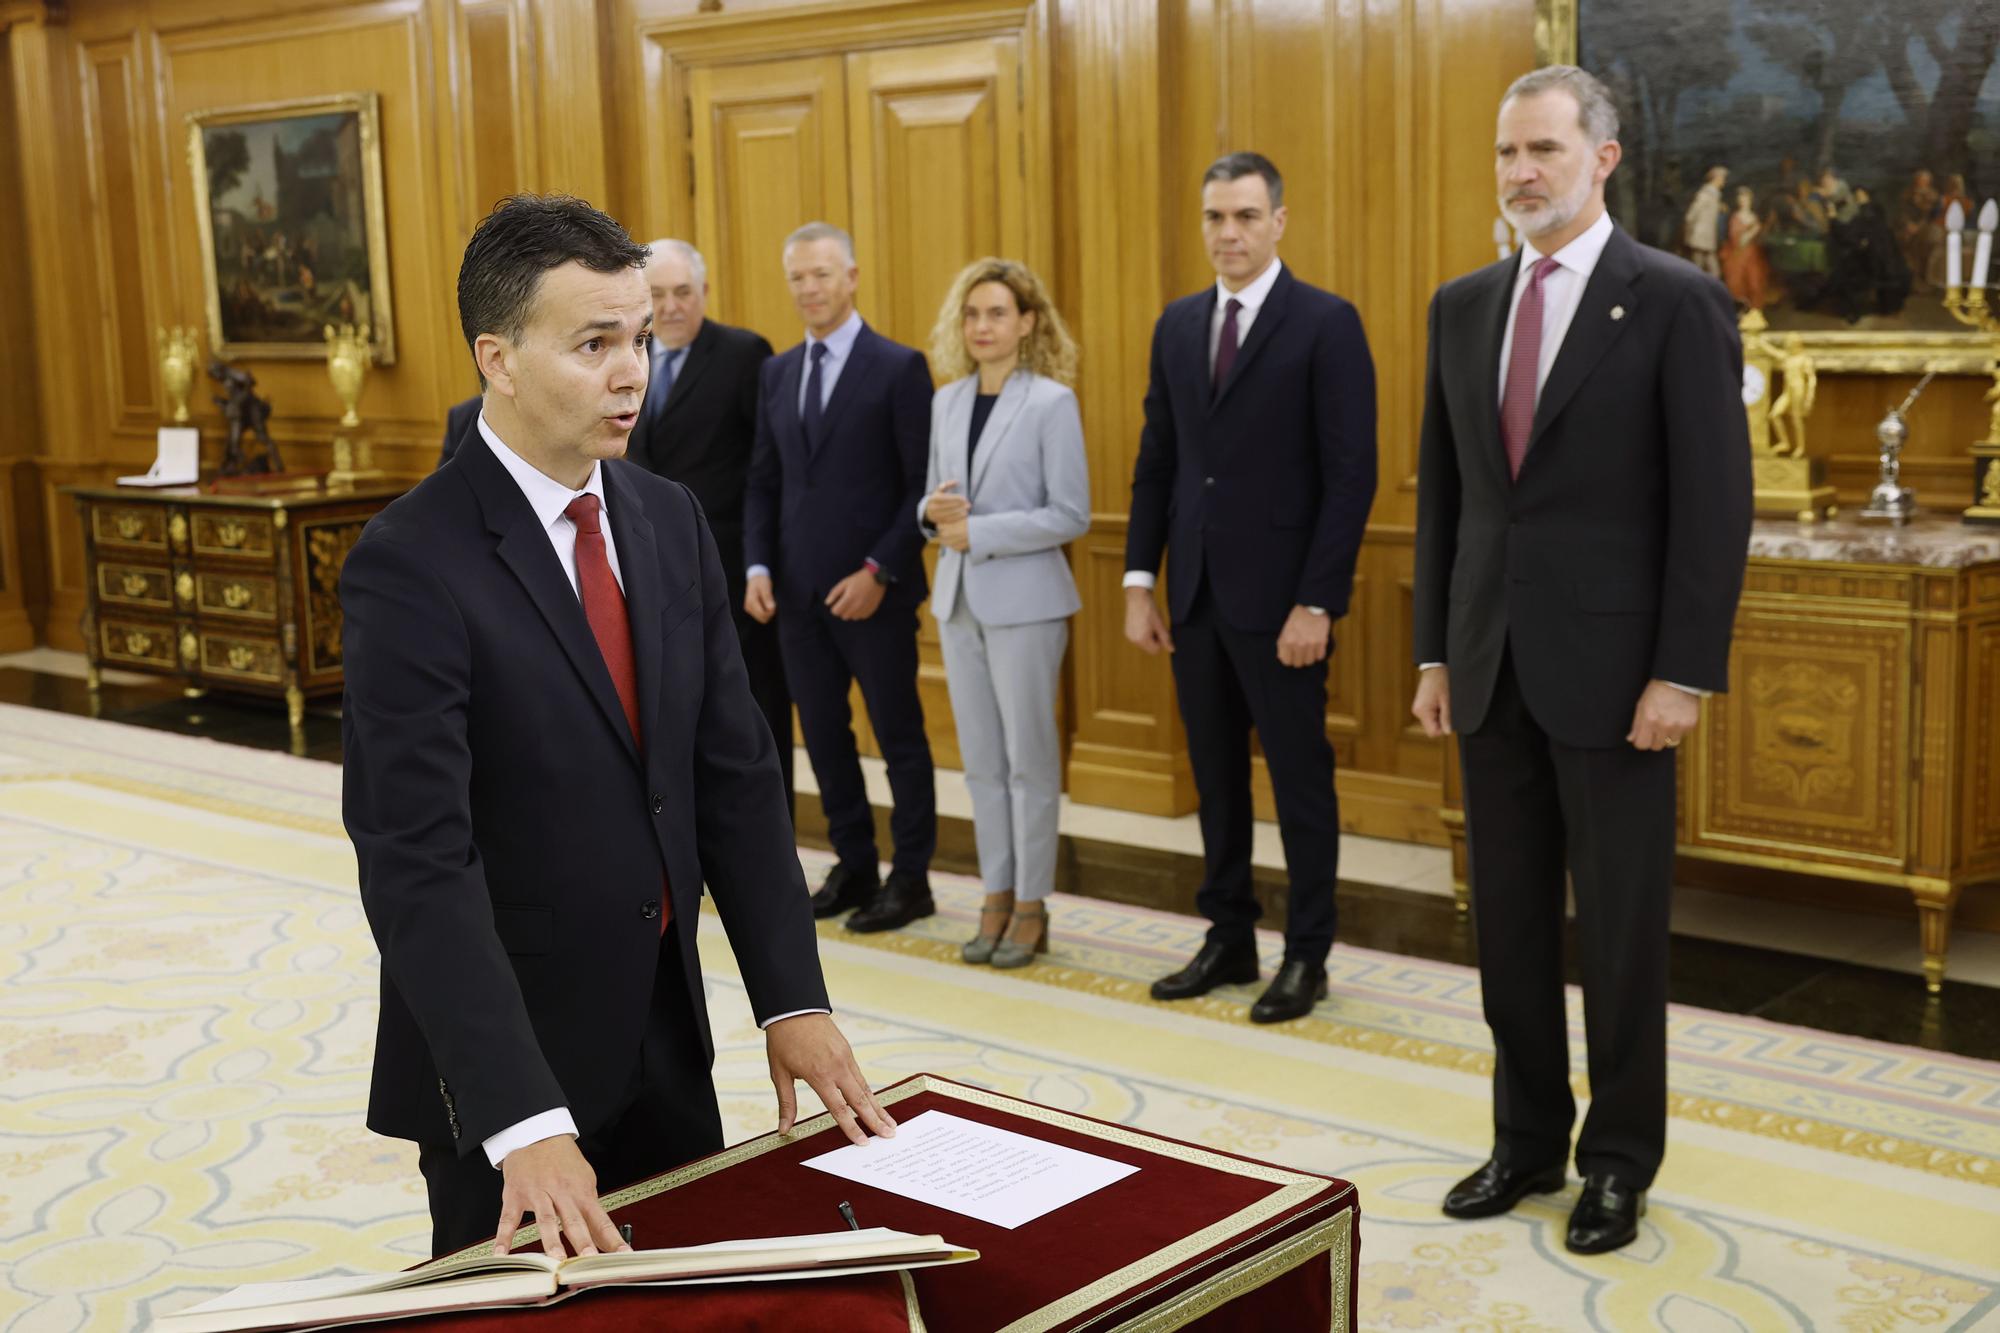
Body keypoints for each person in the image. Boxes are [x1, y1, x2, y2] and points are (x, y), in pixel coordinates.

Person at [342, 195, 891, 1260]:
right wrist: (525, 1120)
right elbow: (416, 863)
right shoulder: (408, 563)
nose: (631, 370)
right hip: (504, 1077)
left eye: (636, 336)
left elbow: (731, 776)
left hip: (663, 1035)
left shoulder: (666, 517)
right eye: (593, 343)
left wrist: (790, 997)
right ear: (497, 358)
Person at [1409, 66, 1751, 1255]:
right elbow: (1449, 504)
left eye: (1543, 150)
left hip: (1617, 682)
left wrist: (1681, 671)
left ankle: (1616, 1162)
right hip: (1488, 666)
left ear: (1599, 157)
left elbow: (1713, 508)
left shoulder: (1672, 299)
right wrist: (1432, 655)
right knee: (1503, 922)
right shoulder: (1459, 306)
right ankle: (1522, 1140)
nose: (1520, 173)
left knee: (1615, 931)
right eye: (1506, 152)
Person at [1124, 151, 1378, 1025]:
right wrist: (1137, 577)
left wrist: (1319, 601)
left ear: (1278, 222)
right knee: (1215, 777)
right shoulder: (1177, 324)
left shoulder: (1326, 323)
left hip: (1285, 608)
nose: (1227, 234)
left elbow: (1351, 476)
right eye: (1214, 218)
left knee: (1300, 781)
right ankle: (1229, 934)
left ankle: (1307, 954)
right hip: (1194, 594)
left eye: (1244, 217)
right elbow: (1160, 461)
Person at [743, 222, 937, 933]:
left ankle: (911, 876)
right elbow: (764, 480)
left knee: (898, 738)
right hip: (795, 595)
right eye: (797, 277)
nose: (809, 288)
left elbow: (919, 485)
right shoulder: (778, 372)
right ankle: (854, 863)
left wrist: (879, 570)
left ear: (852, 276)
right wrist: (758, 565)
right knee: (822, 736)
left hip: (874, 595)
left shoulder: (899, 367)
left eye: (822, 274)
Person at [917, 258, 1088, 968]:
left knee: (1029, 762)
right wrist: (932, 517)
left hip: (1027, 603)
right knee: (982, 763)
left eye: (997, 313)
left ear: (1027, 323)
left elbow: (1069, 513)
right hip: (958, 599)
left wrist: (978, 531)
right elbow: (933, 502)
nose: (982, 326)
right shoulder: (946, 401)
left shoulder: (1050, 402)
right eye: (972, 314)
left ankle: (1031, 903)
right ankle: (994, 892)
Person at [626, 238, 793, 815]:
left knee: (754, 708)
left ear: (704, 293)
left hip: (731, 565)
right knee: (670, 707)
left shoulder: (745, 354)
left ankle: (774, 835)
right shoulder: (627, 354)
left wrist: (759, 562)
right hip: (648, 564)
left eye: (683, 293)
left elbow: (766, 471)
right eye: (657, 294)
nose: (670, 306)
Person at [1720, 186, 1771, 310]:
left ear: (1750, 200)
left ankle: (1754, 312)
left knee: (1755, 283)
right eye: (1740, 198)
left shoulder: (1754, 217)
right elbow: (1739, 242)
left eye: (1745, 198)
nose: (1743, 200)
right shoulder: (1735, 218)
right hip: (1738, 256)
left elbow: (1760, 239)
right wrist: (1753, 230)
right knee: (1737, 284)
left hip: (1753, 255)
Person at [1683, 166, 1726, 278]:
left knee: (1710, 268)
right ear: (1716, 178)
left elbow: (1709, 211)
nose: (1723, 181)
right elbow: (1692, 213)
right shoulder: (1705, 193)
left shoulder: (1714, 194)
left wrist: (1719, 207)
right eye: (1722, 178)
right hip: (1700, 235)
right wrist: (1690, 229)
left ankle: (1710, 289)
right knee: (1699, 266)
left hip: (1707, 236)